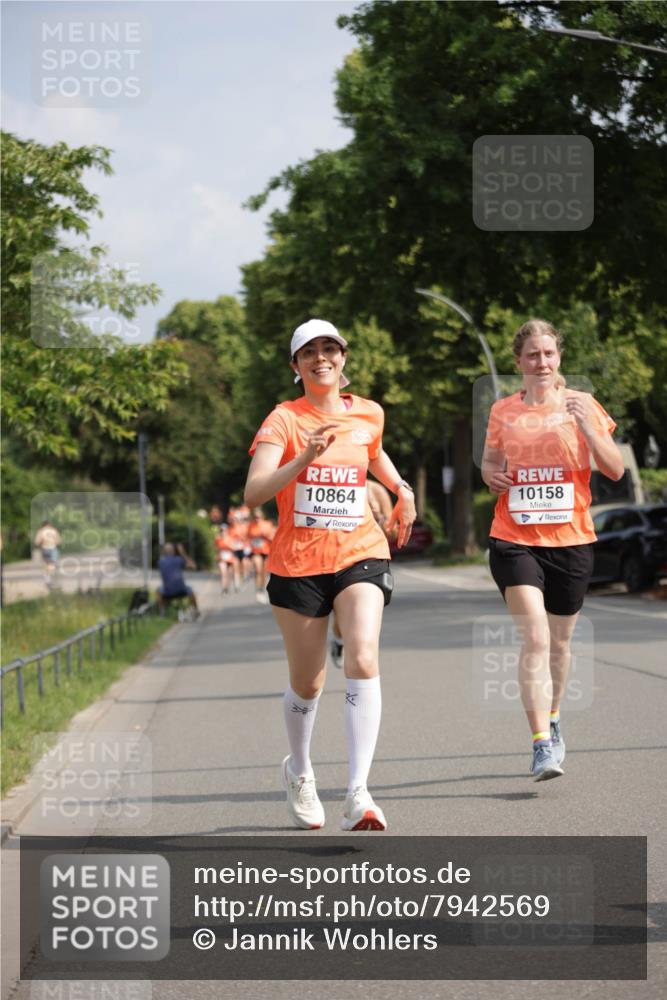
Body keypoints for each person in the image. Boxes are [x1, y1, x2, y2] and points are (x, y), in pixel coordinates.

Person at [245, 318, 416, 831]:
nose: (322, 358)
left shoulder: (368, 412)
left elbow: (373, 450)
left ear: (344, 358)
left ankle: (360, 792)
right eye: (309, 352)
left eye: (330, 349)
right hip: (298, 563)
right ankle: (299, 770)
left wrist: (401, 487)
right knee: (309, 680)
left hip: (360, 550)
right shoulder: (283, 420)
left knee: (363, 653)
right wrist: (304, 458)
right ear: (296, 367)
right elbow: (254, 492)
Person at [481, 319, 624, 781]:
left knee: (560, 646)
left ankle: (554, 714)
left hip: (572, 540)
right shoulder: (503, 410)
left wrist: (588, 426)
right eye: (532, 355)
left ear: (557, 356)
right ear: (518, 361)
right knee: (536, 638)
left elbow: (615, 469)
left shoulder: (583, 405)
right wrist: (491, 476)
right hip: (514, 537)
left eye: (548, 354)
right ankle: (541, 744)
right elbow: (490, 463)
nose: (541, 362)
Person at [330, 479, 395, 669]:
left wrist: (380, 519)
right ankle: (339, 641)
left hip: (366, 559)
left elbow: (392, 532)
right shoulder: (331, 484)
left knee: (359, 620)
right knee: (341, 617)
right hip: (335, 557)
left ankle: (359, 665)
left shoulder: (376, 490)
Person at [157, 542, 200, 618]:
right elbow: (193, 566)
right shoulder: (179, 560)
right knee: (191, 591)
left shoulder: (161, 562)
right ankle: (196, 610)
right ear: (173, 551)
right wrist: (182, 553)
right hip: (182, 590)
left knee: (158, 591)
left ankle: (162, 612)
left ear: (164, 552)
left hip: (167, 591)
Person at [248, 507, 275, 604]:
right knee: (258, 569)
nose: (257, 519)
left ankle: (262, 589)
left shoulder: (268, 524)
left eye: (258, 517)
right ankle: (258, 590)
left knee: (264, 572)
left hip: (266, 550)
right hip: (256, 551)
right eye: (255, 517)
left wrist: (266, 536)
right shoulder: (251, 526)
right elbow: (248, 537)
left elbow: (273, 537)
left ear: (262, 516)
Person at [34, 520, 62, 588]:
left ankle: (47, 579)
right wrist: (54, 541)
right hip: (53, 549)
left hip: (44, 549)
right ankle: (49, 579)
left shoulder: (40, 531)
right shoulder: (54, 531)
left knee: (47, 565)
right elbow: (59, 541)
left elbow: (36, 542)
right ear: (49, 525)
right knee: (52, 565)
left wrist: (42, 541)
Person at [214, 523, 236, 594]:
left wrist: (228, 545)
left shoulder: (230, 538)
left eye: (224, 530)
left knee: (229, 574)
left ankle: (227, 587)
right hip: (222, 558)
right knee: (223, 573)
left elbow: (234, 548)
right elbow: (215, 548)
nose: (223, 532)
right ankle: (223, 588)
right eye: (221, 530)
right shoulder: (218, 538)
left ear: (227, 531)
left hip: (229, 557)